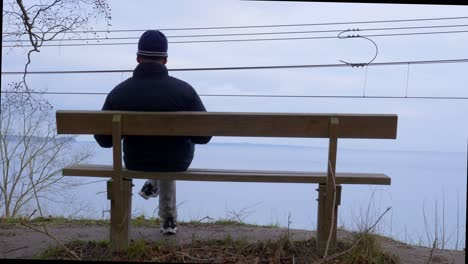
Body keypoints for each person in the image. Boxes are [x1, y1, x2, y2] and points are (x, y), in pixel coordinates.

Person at [94, 30, 211, 235]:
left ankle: (153, 188)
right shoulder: (184, 91)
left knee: (162, 154)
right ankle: (168, 216)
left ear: (138, 59)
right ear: (165, 60)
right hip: (176, 162)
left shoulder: (119, 92)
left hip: (136, 162)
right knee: (170, 153)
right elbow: (204, 136)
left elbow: (104, 141)